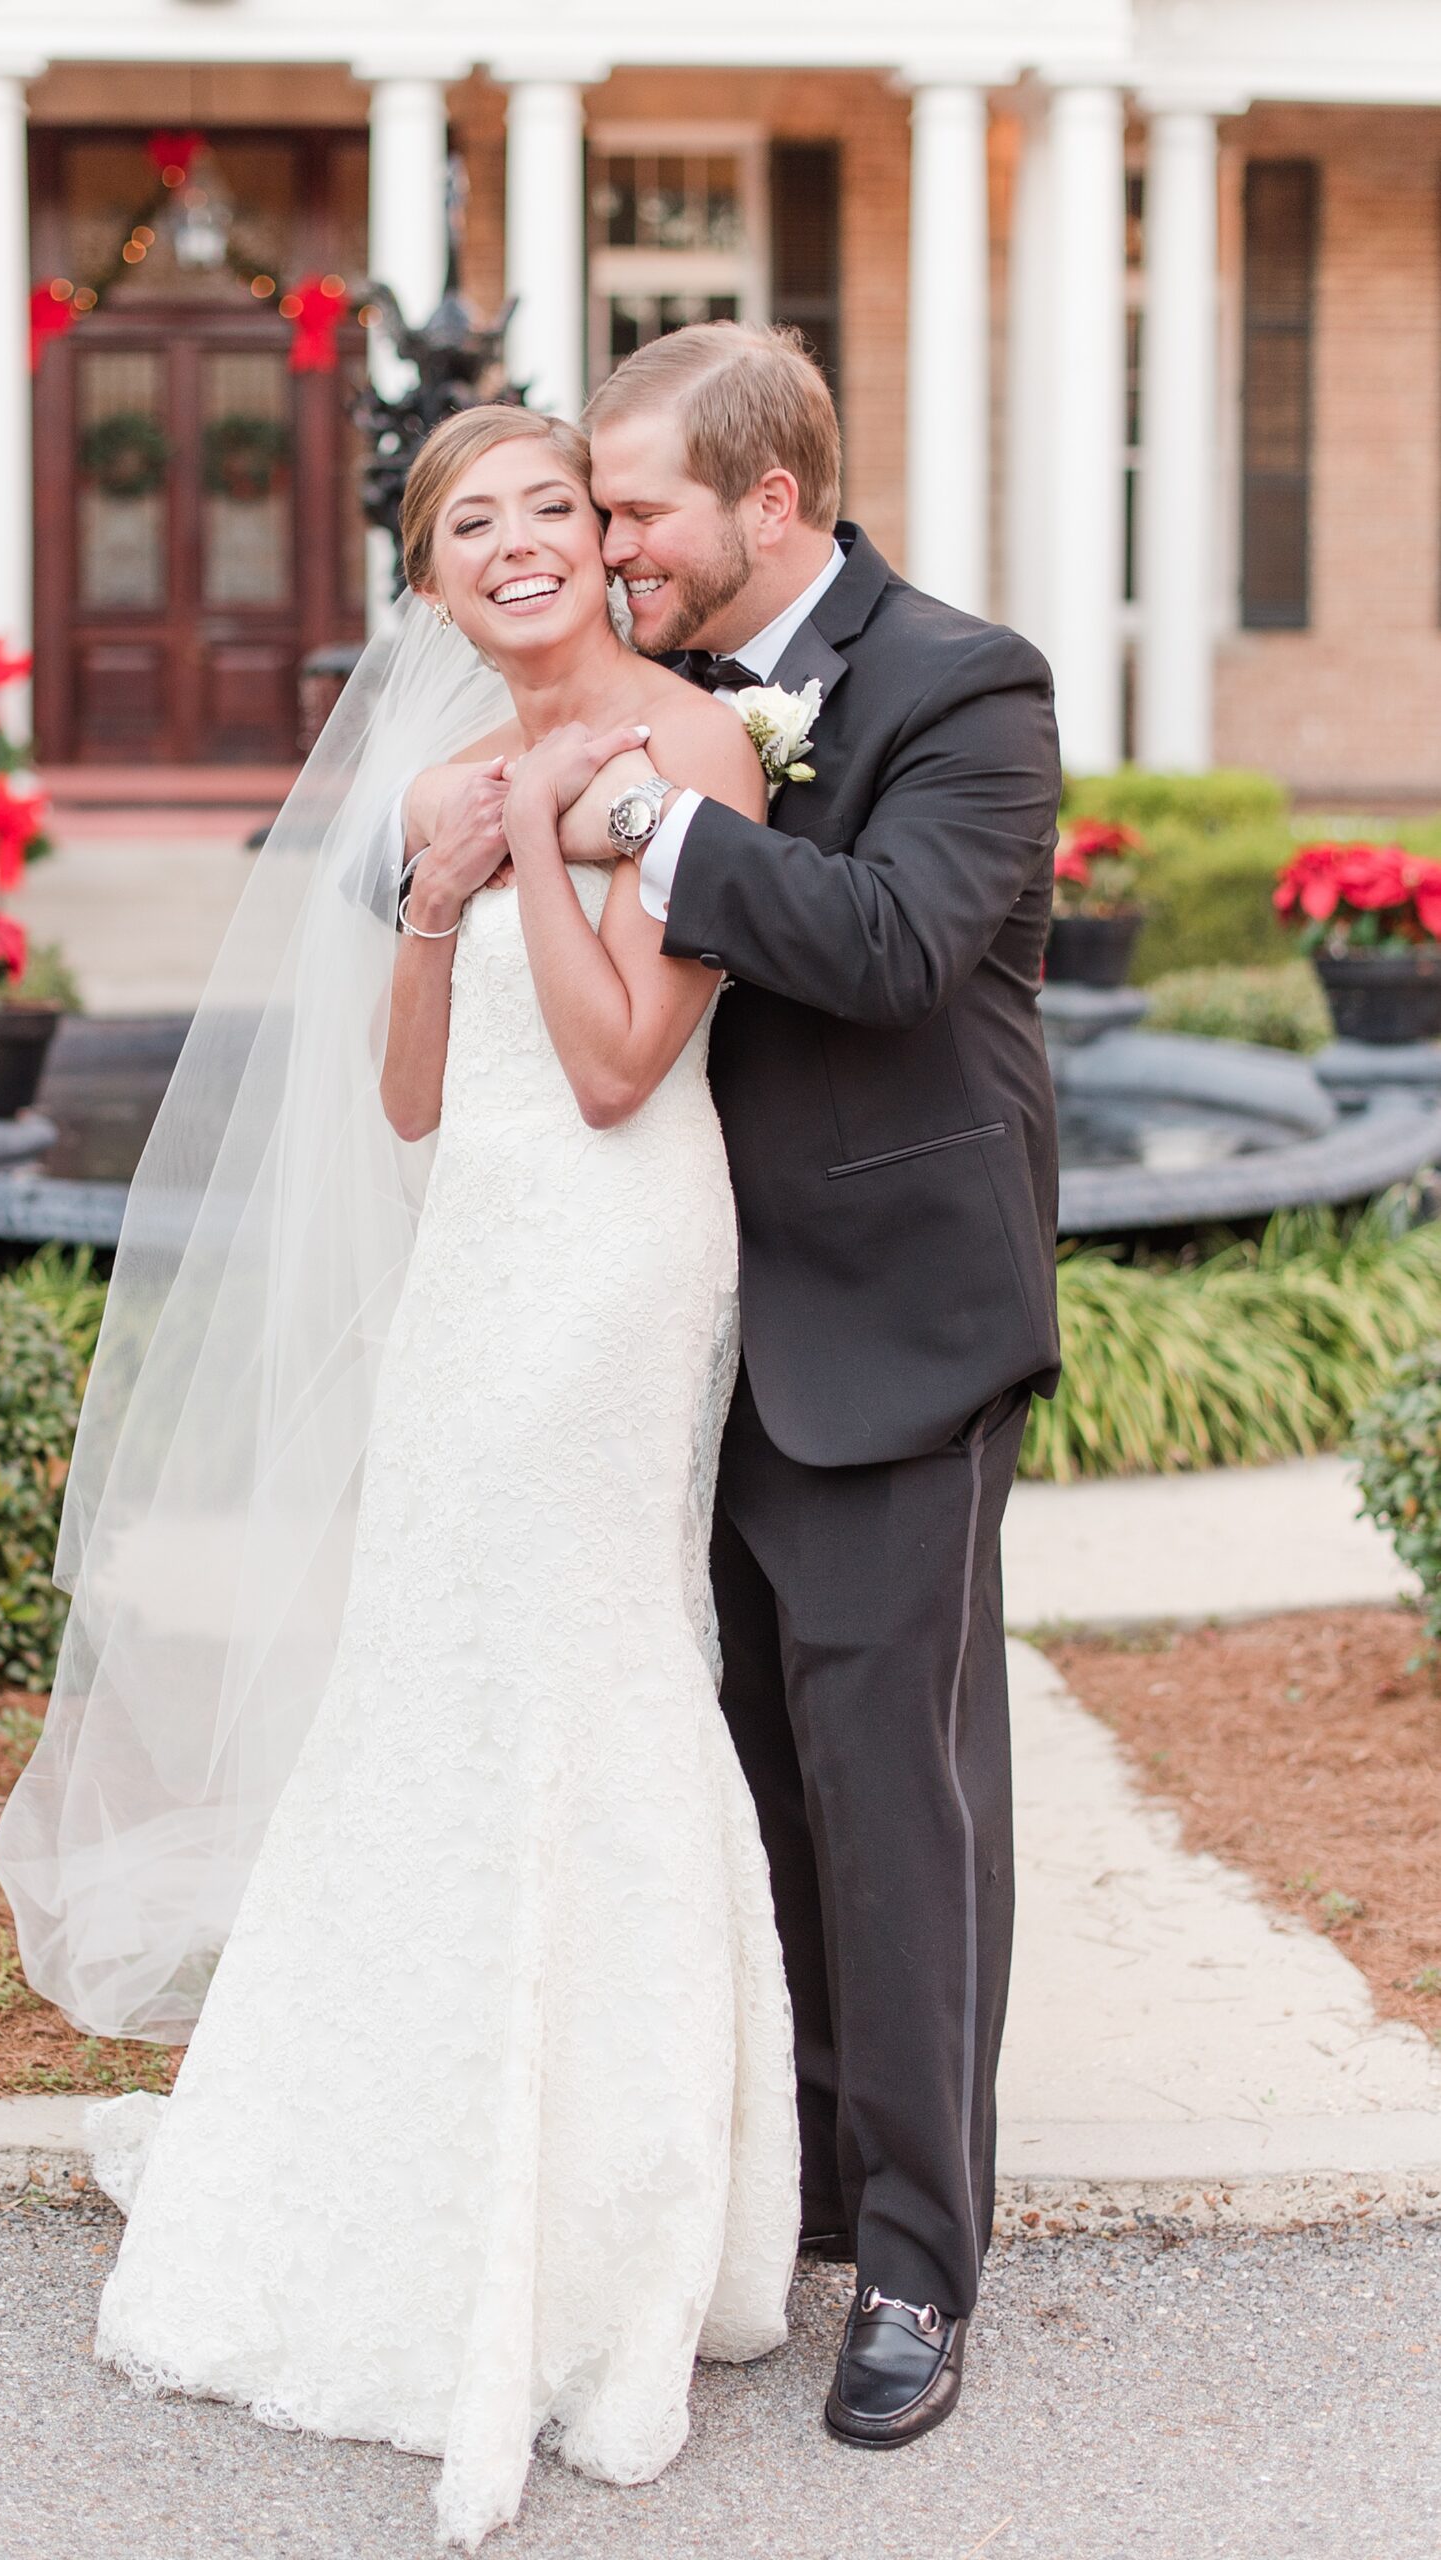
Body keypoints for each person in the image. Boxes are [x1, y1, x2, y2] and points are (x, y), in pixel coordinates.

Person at [0, 404, 800, 2553]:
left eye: (554, 509)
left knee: (594, 1663)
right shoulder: (441, 774)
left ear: (604, 549)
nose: (521, 546)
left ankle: (613, 2214)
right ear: (431, 583)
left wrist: (541, 835)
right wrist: (440, 892)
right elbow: (427, 1102)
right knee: (434, 1669)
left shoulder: (697, 752)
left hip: (622, 1261)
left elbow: (629, 1068)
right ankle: (393, 2156)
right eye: (475, 526)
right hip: (480, 1260)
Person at [415, 320, 1061, 2446]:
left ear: (767, 500)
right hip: (663, 1315)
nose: (603, 546)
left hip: (888, 1313)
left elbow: (886, 942)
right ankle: (788, 2167)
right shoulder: (652, 701)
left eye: (632, 509)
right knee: (745, 1783)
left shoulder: (969, 685)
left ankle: (917, 2263)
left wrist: (644, 822)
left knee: (897, 1796)